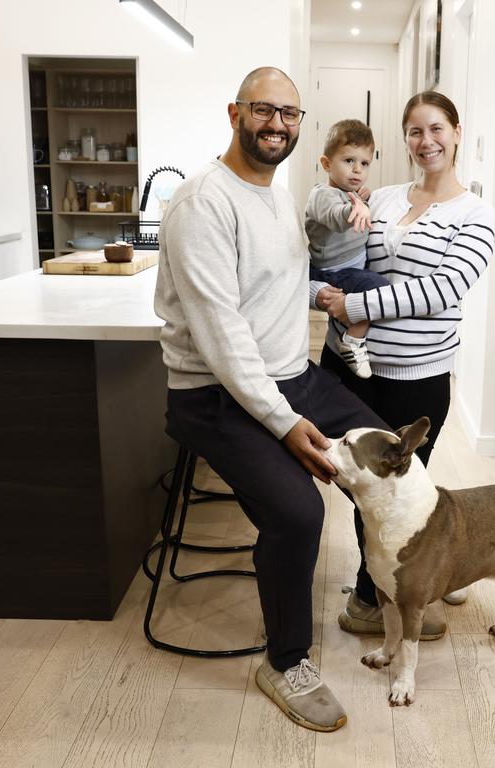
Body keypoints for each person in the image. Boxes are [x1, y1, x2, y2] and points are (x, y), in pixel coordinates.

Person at [153, 67, 389, 734]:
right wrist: (286, 424)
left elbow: (279, 283)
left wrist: (321, 296)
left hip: (288, 374)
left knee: (390, 464)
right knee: (297, 512)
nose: (277, 124)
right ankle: (286, 662)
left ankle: (372, 601)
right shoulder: (203, 203)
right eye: (264, 111)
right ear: (236, 113)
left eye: (289, 113)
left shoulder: (280, 196)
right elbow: (224, 338)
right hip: (213, 395)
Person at [316, 90, 495, 626]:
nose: (427, 141)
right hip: (349, 369)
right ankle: (377, 594)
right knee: (362, 487)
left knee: (404, 493)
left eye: (437, 128)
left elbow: (440, 289)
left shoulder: (476, 214)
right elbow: (338, 259)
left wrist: (355, 305)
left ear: (457, 132)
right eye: (416, 131)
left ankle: (432, 574)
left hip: (417, 378)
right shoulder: (383, 198)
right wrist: (327, 296)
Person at [305, 119, 390, 378]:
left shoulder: (351, 195)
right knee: (377, 290)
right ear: (327, 164)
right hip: (334, 272)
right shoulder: (322, 195)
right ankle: (352, 341)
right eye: (348, 161)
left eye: (364, 163)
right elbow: (335, 216)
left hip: (347, 269)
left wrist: (359, 200)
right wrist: (356, 208)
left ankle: (348, 329)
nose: (357, 170)